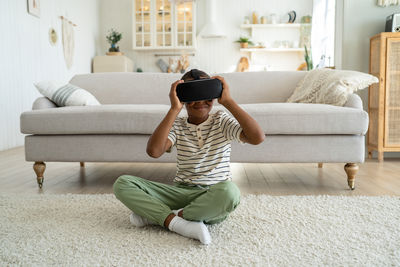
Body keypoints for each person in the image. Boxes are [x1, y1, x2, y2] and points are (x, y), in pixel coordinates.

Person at [113, 69, 265, 245]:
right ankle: (180, 222)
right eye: (192, 96)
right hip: (181, 192)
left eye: (206, 94)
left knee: (230, 193)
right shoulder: (177, 125)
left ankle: (165, 217)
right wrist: (173, 109)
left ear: (215, 95)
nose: (200, 101)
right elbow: (154, 151)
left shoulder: (221, 120)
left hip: (212, 194)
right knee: (123, 183)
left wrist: (229, 102)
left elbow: (257, 138)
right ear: (182, 98)